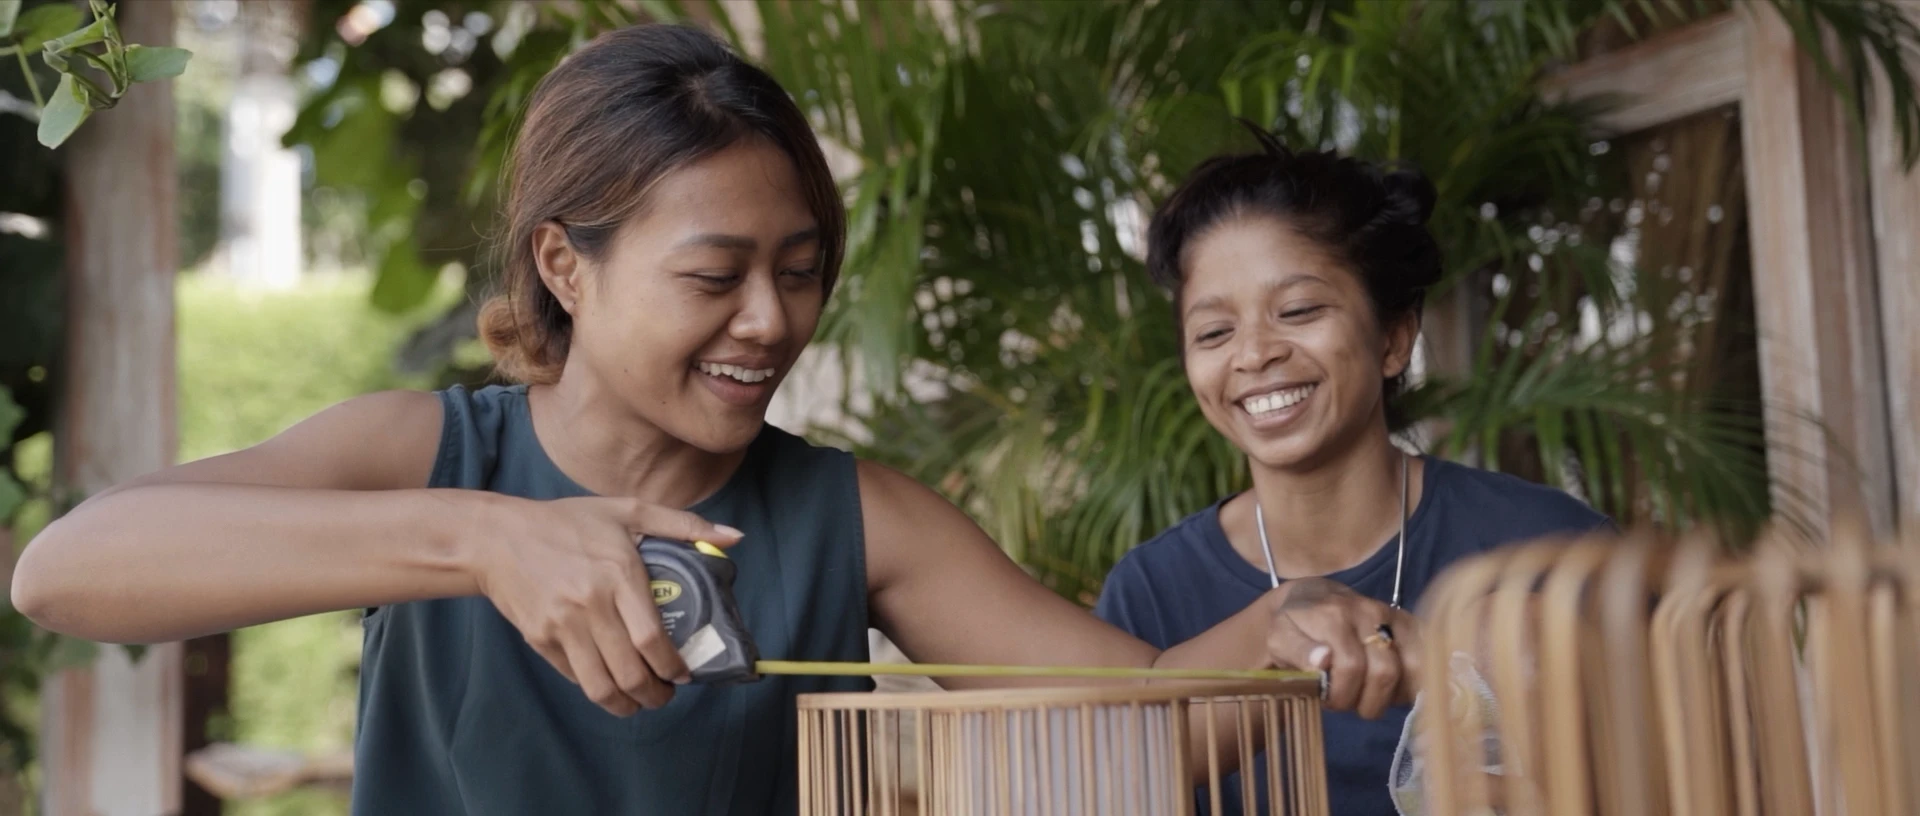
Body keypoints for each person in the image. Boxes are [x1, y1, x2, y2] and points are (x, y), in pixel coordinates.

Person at [11, 24, 1410, 815]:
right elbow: (68, 571)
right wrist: (486, 541)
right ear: (566, 266)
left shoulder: (855, 516)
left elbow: (1139, 733)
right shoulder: (431, 455)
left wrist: (1279, 631)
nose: (768, 321)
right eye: (713, 276)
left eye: (799, 272)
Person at [1092, 126, 1616, 816]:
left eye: (1298, 311)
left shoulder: (1552, 547)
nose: (1253, 354)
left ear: (1393, 338)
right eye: (1214, 332)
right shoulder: (1150, 594)